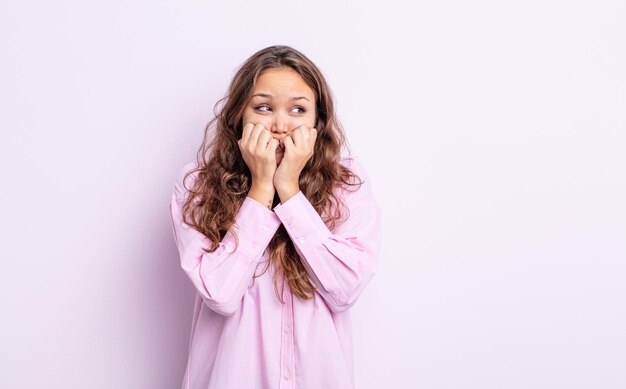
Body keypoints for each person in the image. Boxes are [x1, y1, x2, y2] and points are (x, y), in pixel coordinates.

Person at [169, 45, 382, 389]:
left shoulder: (346, 184)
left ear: (317, 120)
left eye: (298, 109)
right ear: (239, 115)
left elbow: (345, 290)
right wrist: (261, 187)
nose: (281, 125)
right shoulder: (197, 184)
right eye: (264, 107)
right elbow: (219, 294)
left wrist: (289, 190)